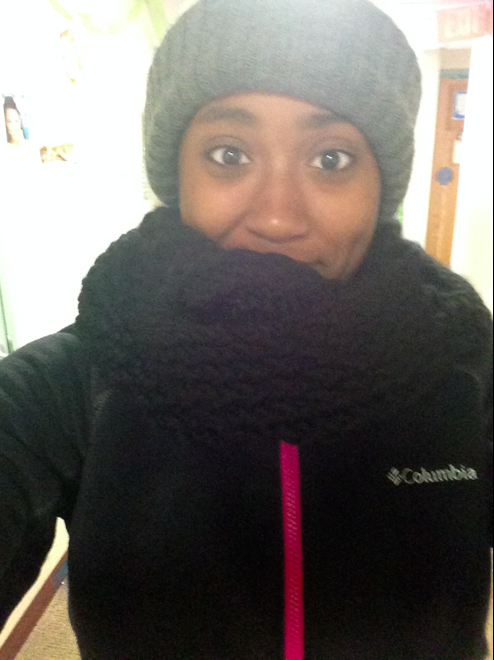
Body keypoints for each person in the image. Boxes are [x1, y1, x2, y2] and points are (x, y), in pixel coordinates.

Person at [0, 0, 492, 658]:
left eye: (331, 159)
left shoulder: (463, 365)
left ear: (382, 188)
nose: (278, 216)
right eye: (229, 153)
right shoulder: (74, 385)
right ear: (178, 176)